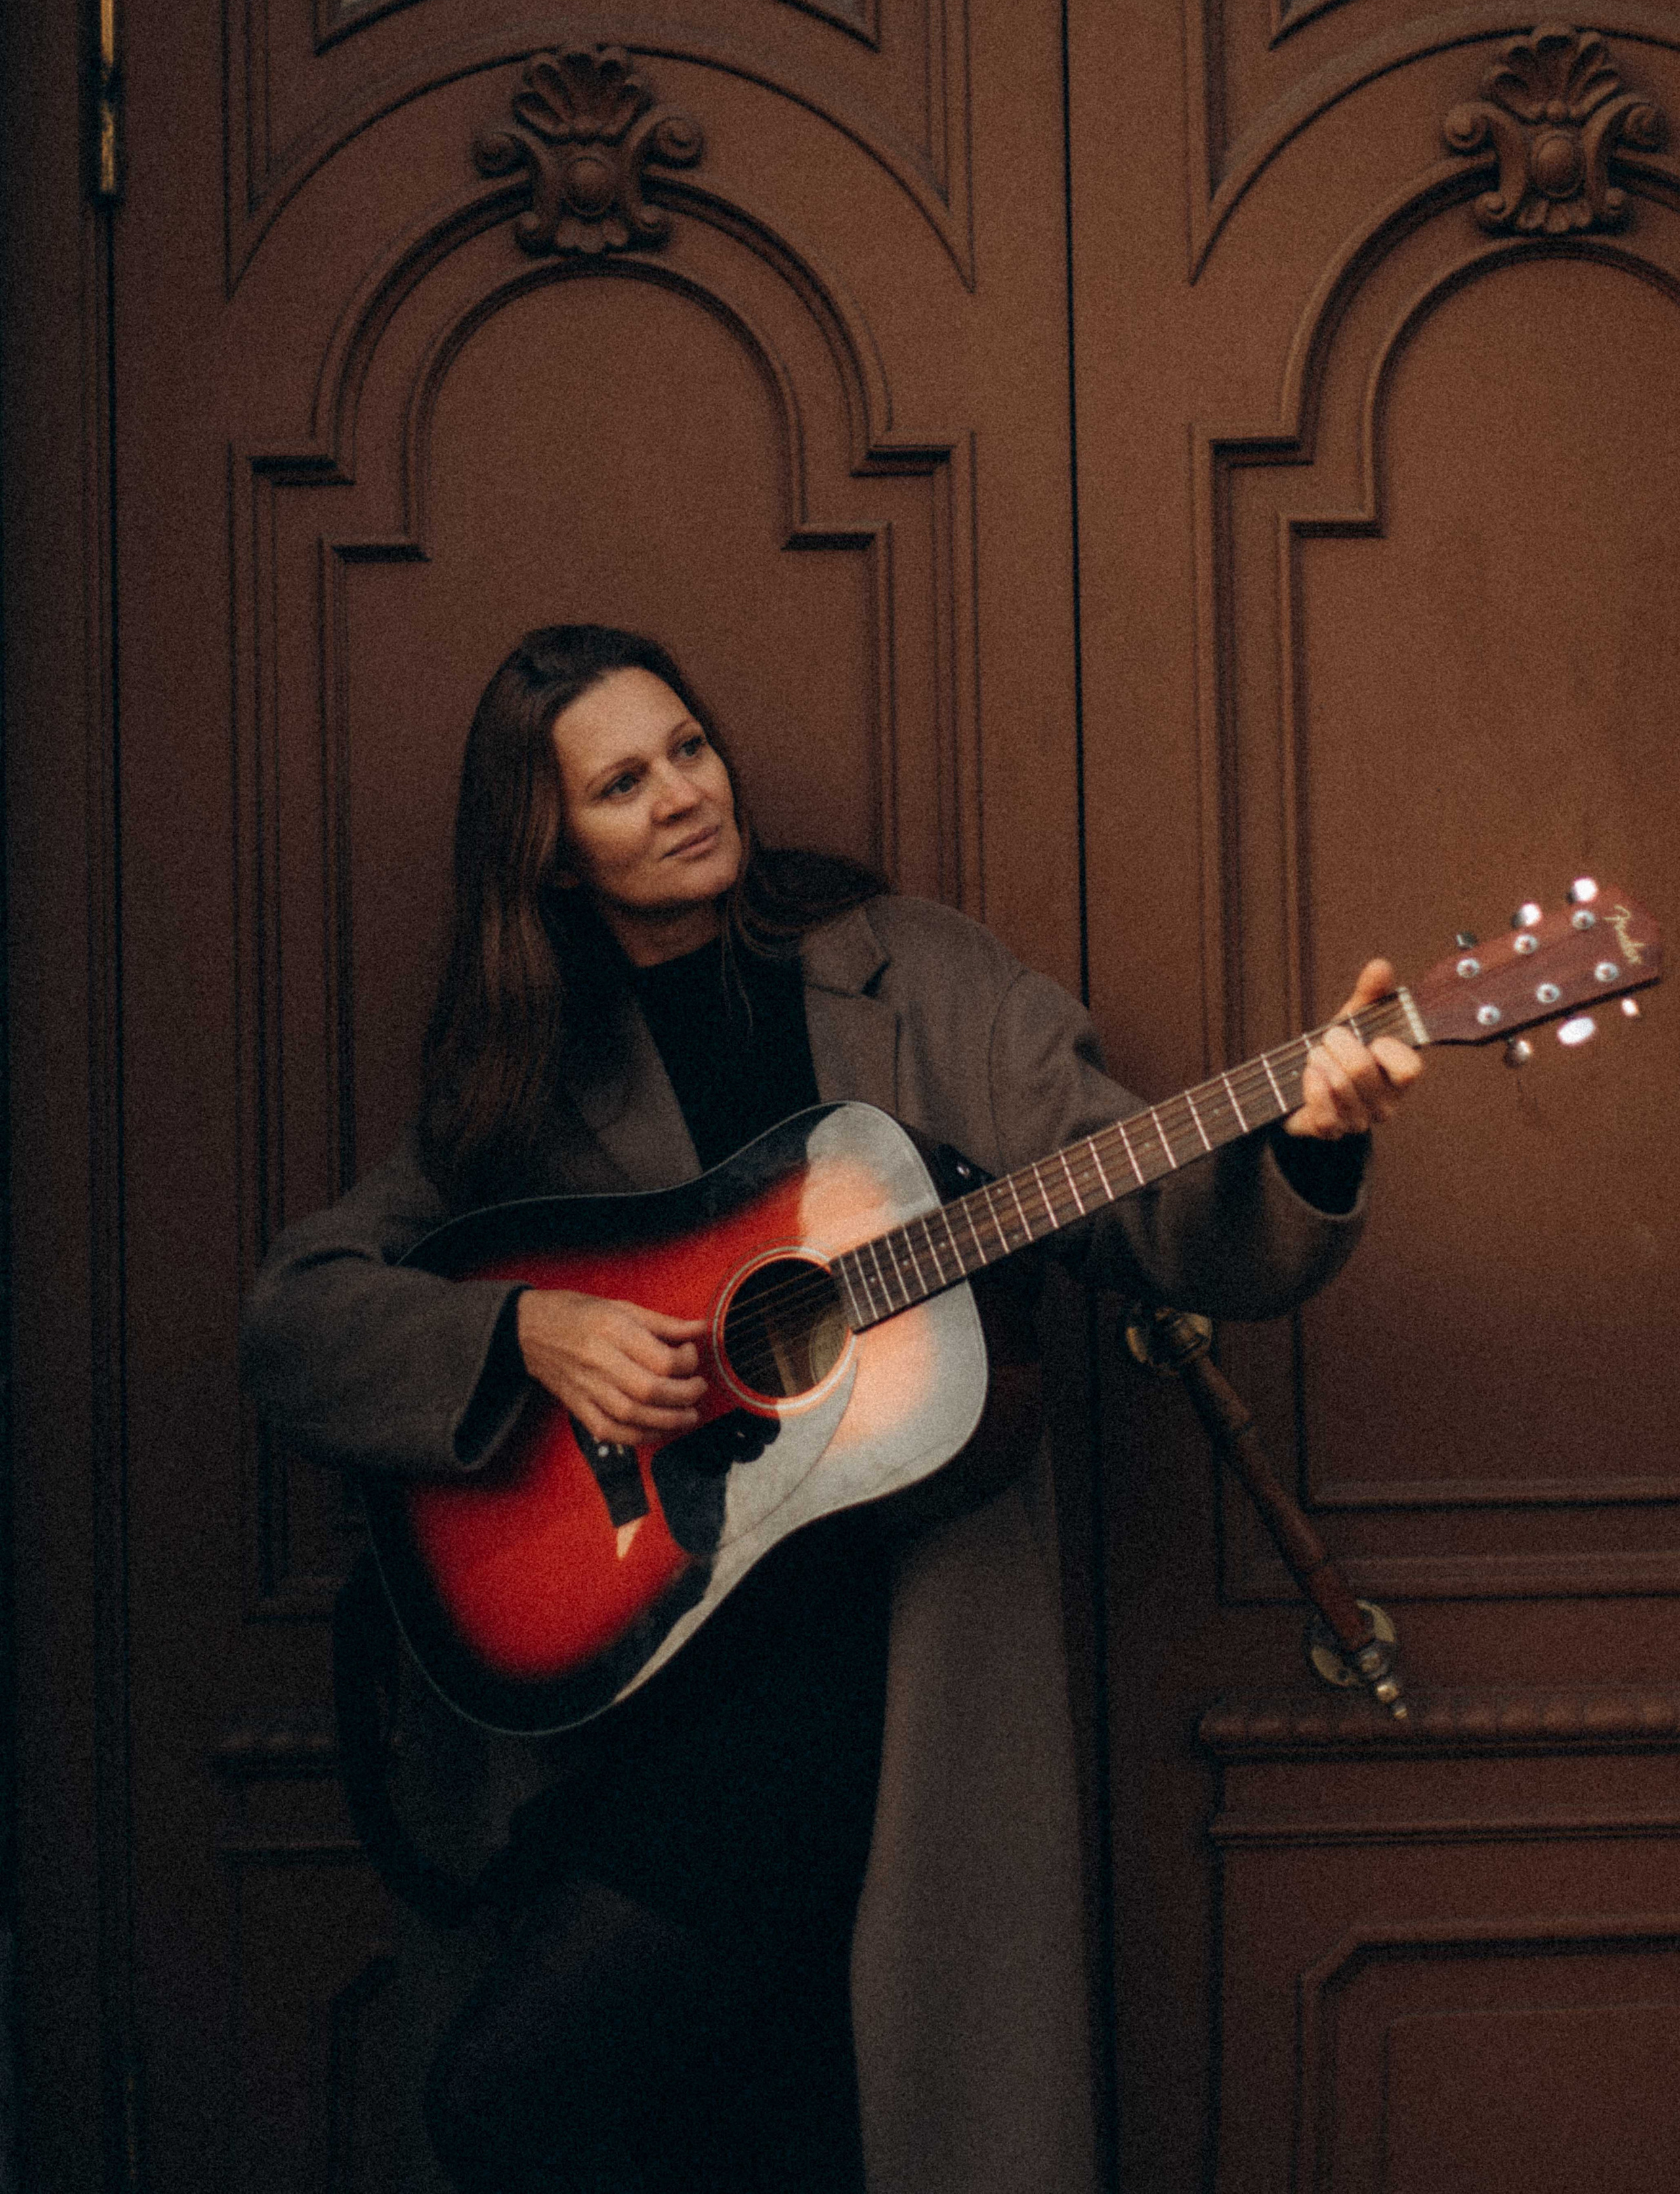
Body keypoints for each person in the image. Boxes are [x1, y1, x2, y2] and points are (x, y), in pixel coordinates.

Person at [242, 623, 1420, 2194]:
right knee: (635, 2117)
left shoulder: (909, 976)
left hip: (883, 1686)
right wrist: (524, 1331)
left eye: (688, 748)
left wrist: (1311, 1143)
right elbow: (296, 1317)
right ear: (548, 860)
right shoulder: (527, 1072)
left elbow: (1149, 1206)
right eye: (620, 783)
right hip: (646, 1700)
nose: (682, 794)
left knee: (725, 2110)